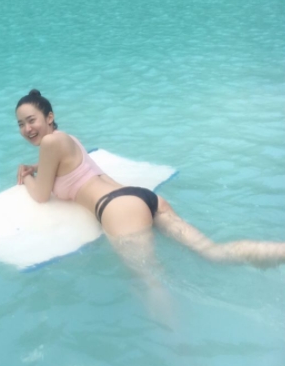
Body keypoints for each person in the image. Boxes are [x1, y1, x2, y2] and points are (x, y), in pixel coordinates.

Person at [15, 89, 285, 271]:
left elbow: (41, 195)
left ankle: (176, 341)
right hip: (142, 197)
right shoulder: (68, 139)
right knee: (214, 253)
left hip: (118, 210)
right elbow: (66, 167)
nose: (27, 129)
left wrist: (26, 176)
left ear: (49, 117)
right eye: (20, 124)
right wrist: (37, 167)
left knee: (152, 286)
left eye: (31, 120)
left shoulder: (50, 143)